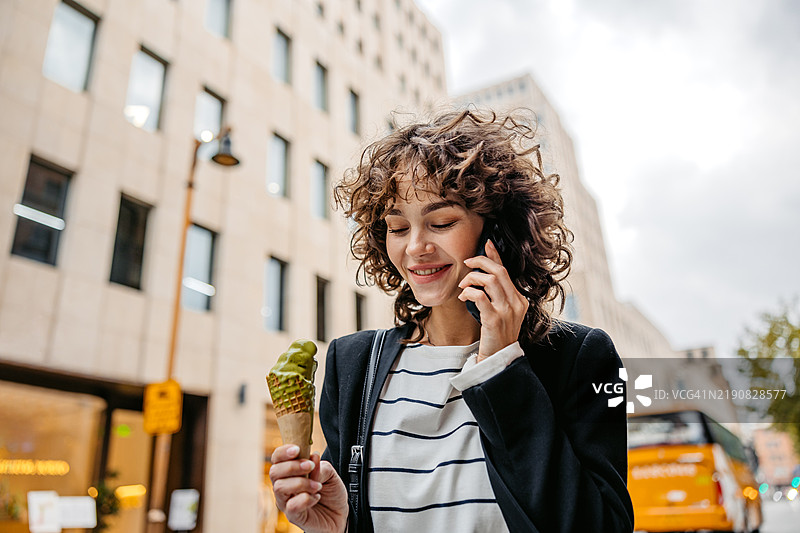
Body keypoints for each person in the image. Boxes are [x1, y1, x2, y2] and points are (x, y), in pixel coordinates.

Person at [269, 109, 634, 532]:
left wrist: (502, 367)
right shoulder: (352, 363)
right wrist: (332, 525)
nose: (416, 247)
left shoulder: (579, 358)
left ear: (497, 229)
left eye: (441, 222)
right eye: (398, 226)